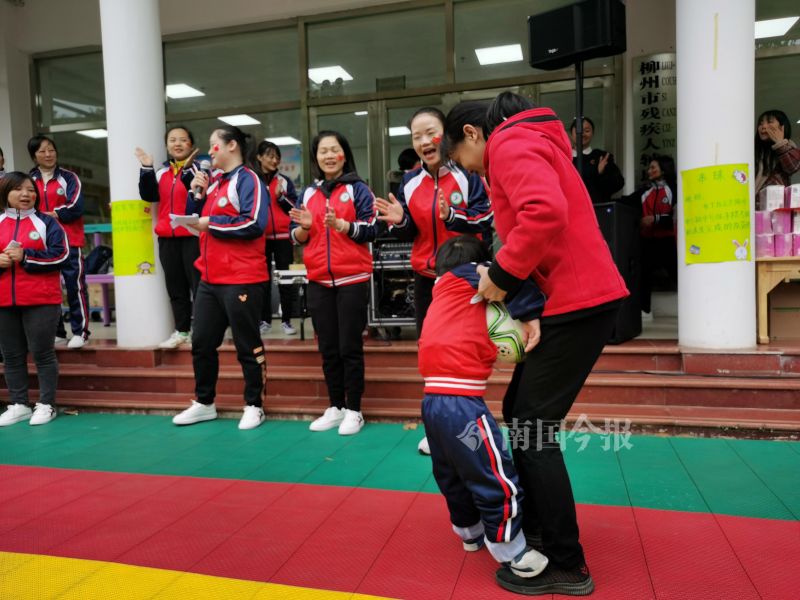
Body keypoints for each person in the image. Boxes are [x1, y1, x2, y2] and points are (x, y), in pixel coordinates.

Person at [444, 92, 629, 596]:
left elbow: (543, 213)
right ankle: (544, 532)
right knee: (520, 412)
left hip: (579, 299)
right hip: (573, 299)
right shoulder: (533, 138)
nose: (472, 171)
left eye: (462, 161)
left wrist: (502, 275)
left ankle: (568, 563)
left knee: (533, 425)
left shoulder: (508, 143)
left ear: (472, 135)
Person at [420, 235, 549, 581]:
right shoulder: (477, 273)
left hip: (431, 398)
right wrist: (531, 312)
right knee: (494, 474)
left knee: (450, 471)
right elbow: (511, 277)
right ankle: (512, 551)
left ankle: (469, 532)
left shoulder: (441, 292)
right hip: (462, 403)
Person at [171, 125, 269, 430]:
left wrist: (209, 222)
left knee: (246, 343)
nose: (208, 151)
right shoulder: (212, 183)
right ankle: (204, 402)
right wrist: (195, 194)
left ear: (231, 146)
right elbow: (194, 220)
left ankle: (254, 404)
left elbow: (253, 223)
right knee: (201, 342)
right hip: (209, 279)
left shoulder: (249, 179)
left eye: (214, 145)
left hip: (242, 277)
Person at [376, 107, 493, 335]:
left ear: (447, 135)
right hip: (425, 279)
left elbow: (485, 217)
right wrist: (400, 222)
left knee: (465, 345)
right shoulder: (409, 181)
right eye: (416, 137)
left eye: (431, 133)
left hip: (465, 276)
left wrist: (452, 216)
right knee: (429, 343)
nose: (424, 141)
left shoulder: (468, 170)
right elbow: (408, 232)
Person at [290, 130, 377, 436]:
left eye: (334, 149)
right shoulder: (308, 194)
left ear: (344, 154)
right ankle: (335, 406)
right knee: (328, 347)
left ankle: (354, 409)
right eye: (322, 151)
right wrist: (304, 229)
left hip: (352, 277)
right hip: (318, 281)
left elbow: (371, 229)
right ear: (315, 158)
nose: (328, 155)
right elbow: (296, 236)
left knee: (349, 347)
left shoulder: (359, 189)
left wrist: (342, 225)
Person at [0, 172, 69, 427]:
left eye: (30, 189)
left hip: (41, 300)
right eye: (18, 189)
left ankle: (47, 404)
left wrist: (25, 256)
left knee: (43, 353)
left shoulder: (47, 223)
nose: (26, 194)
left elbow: (61, 255)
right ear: (6, 193)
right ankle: (19, 404)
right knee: (12, 356)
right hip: (3, 301)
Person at [135, 126, 201, 349]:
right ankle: (182, 331)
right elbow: (148, 195)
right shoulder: (162, 172)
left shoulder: (201, 170)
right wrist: (146, 167)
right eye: (173, 140)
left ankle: (202, 331)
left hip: (193, 236)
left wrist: (189, 169)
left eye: (183, 139)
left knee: (199, 286)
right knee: (176, 287)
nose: (178, 144)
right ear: (167, 145)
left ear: (191, 144)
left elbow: (199, 196)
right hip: (167, 238)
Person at [28, 135, 90, 349]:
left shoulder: (69, 178)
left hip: (70, 241)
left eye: (51, 150)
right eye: (42, 151)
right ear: (34, 156)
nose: (48, 154)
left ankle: (80, 331)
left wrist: (50, 214)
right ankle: (57, 332)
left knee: (75, 287)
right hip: (42, 245)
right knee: (48, 289)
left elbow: (76, 207)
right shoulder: (29, 180)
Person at [256, 140, 299, 336]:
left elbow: (294, 209)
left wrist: (281, 197)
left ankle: (287, 320)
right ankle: (264, 319)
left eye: (277, 157)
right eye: (270, 156)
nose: (275, 160)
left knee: (285, 279)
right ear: (259, 157)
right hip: (260, 238)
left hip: (283, 236)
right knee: (262, 280)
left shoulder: (284, 181)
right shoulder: (253, 180)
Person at [635, 155, 677, 320]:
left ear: (664, 169)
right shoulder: (645, 190)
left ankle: (694, 307)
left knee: (676, 274)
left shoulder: (674, 189)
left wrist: (655, 219)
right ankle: (645, 311)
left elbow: (675, 216)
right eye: (649, 167)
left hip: (667, 240)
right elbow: (629, 202)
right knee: (643, 276)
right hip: (647, 241)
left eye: (653, 167)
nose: (649, 170)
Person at [569, 117, 624, 204]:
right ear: (571, 134)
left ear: (592, 134)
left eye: (587, 131)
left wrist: (601, 174)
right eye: (578, 131)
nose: (582, 134)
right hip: (570, 210)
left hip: (597, 210)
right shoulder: (564, 158)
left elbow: (618, 183)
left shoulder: (602, 157)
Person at [754, 109, 800, 200]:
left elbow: (792, 168)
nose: (763, 126)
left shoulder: (789, 146)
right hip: (754, 205)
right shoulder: (753, 149)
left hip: (778, 205)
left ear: (782, 127)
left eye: (769, 122)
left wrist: (779, 143)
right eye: (760, 123)